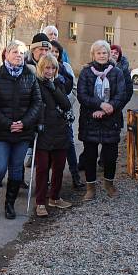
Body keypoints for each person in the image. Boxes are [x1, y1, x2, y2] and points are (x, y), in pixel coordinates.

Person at [0, 40, 42, 219]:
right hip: (1, 132)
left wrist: (24, 123)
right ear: (6, 54)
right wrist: (7, 123)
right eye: (14, 52)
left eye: (21, 53)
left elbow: (37, 103)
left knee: (15, 169)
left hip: (23, 132)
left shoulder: (30, 76)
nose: (18, 55)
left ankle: (9, 205)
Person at [77, 40, 128, 201]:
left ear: (108, 54)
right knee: (90, 157)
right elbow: (82, 95)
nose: (101, 55)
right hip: (90, 119)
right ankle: (90, 188)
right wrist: (99, 105)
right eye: (98, 53)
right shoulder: (86, 72)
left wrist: (108, 108)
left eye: (104, 53)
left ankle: (109, 185)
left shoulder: (117, 72)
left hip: (111, 120)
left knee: (110, 156)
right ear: (93, 54)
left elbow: (122, 94)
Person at [33, 55, 73, 216]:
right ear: (41, 68)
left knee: (59, 167)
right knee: (42, 168)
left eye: (52, 68)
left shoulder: (59, 83)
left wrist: (52, 87)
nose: (49, 71)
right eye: (46, 68)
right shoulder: (35, 84)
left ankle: (55, 197)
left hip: (59, 130)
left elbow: (65, 104)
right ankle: (40, 202)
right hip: (43, 131)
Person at [51, 40, 84, 191]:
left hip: (64, 112)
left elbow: (74, 89)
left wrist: (64, 103)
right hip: (49, 114)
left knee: (69, 143)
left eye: (57, 51)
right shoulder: (44, 67)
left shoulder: (66, 67)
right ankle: (49, 180)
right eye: (51, 50)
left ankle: (75, 175)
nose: (54, 53)